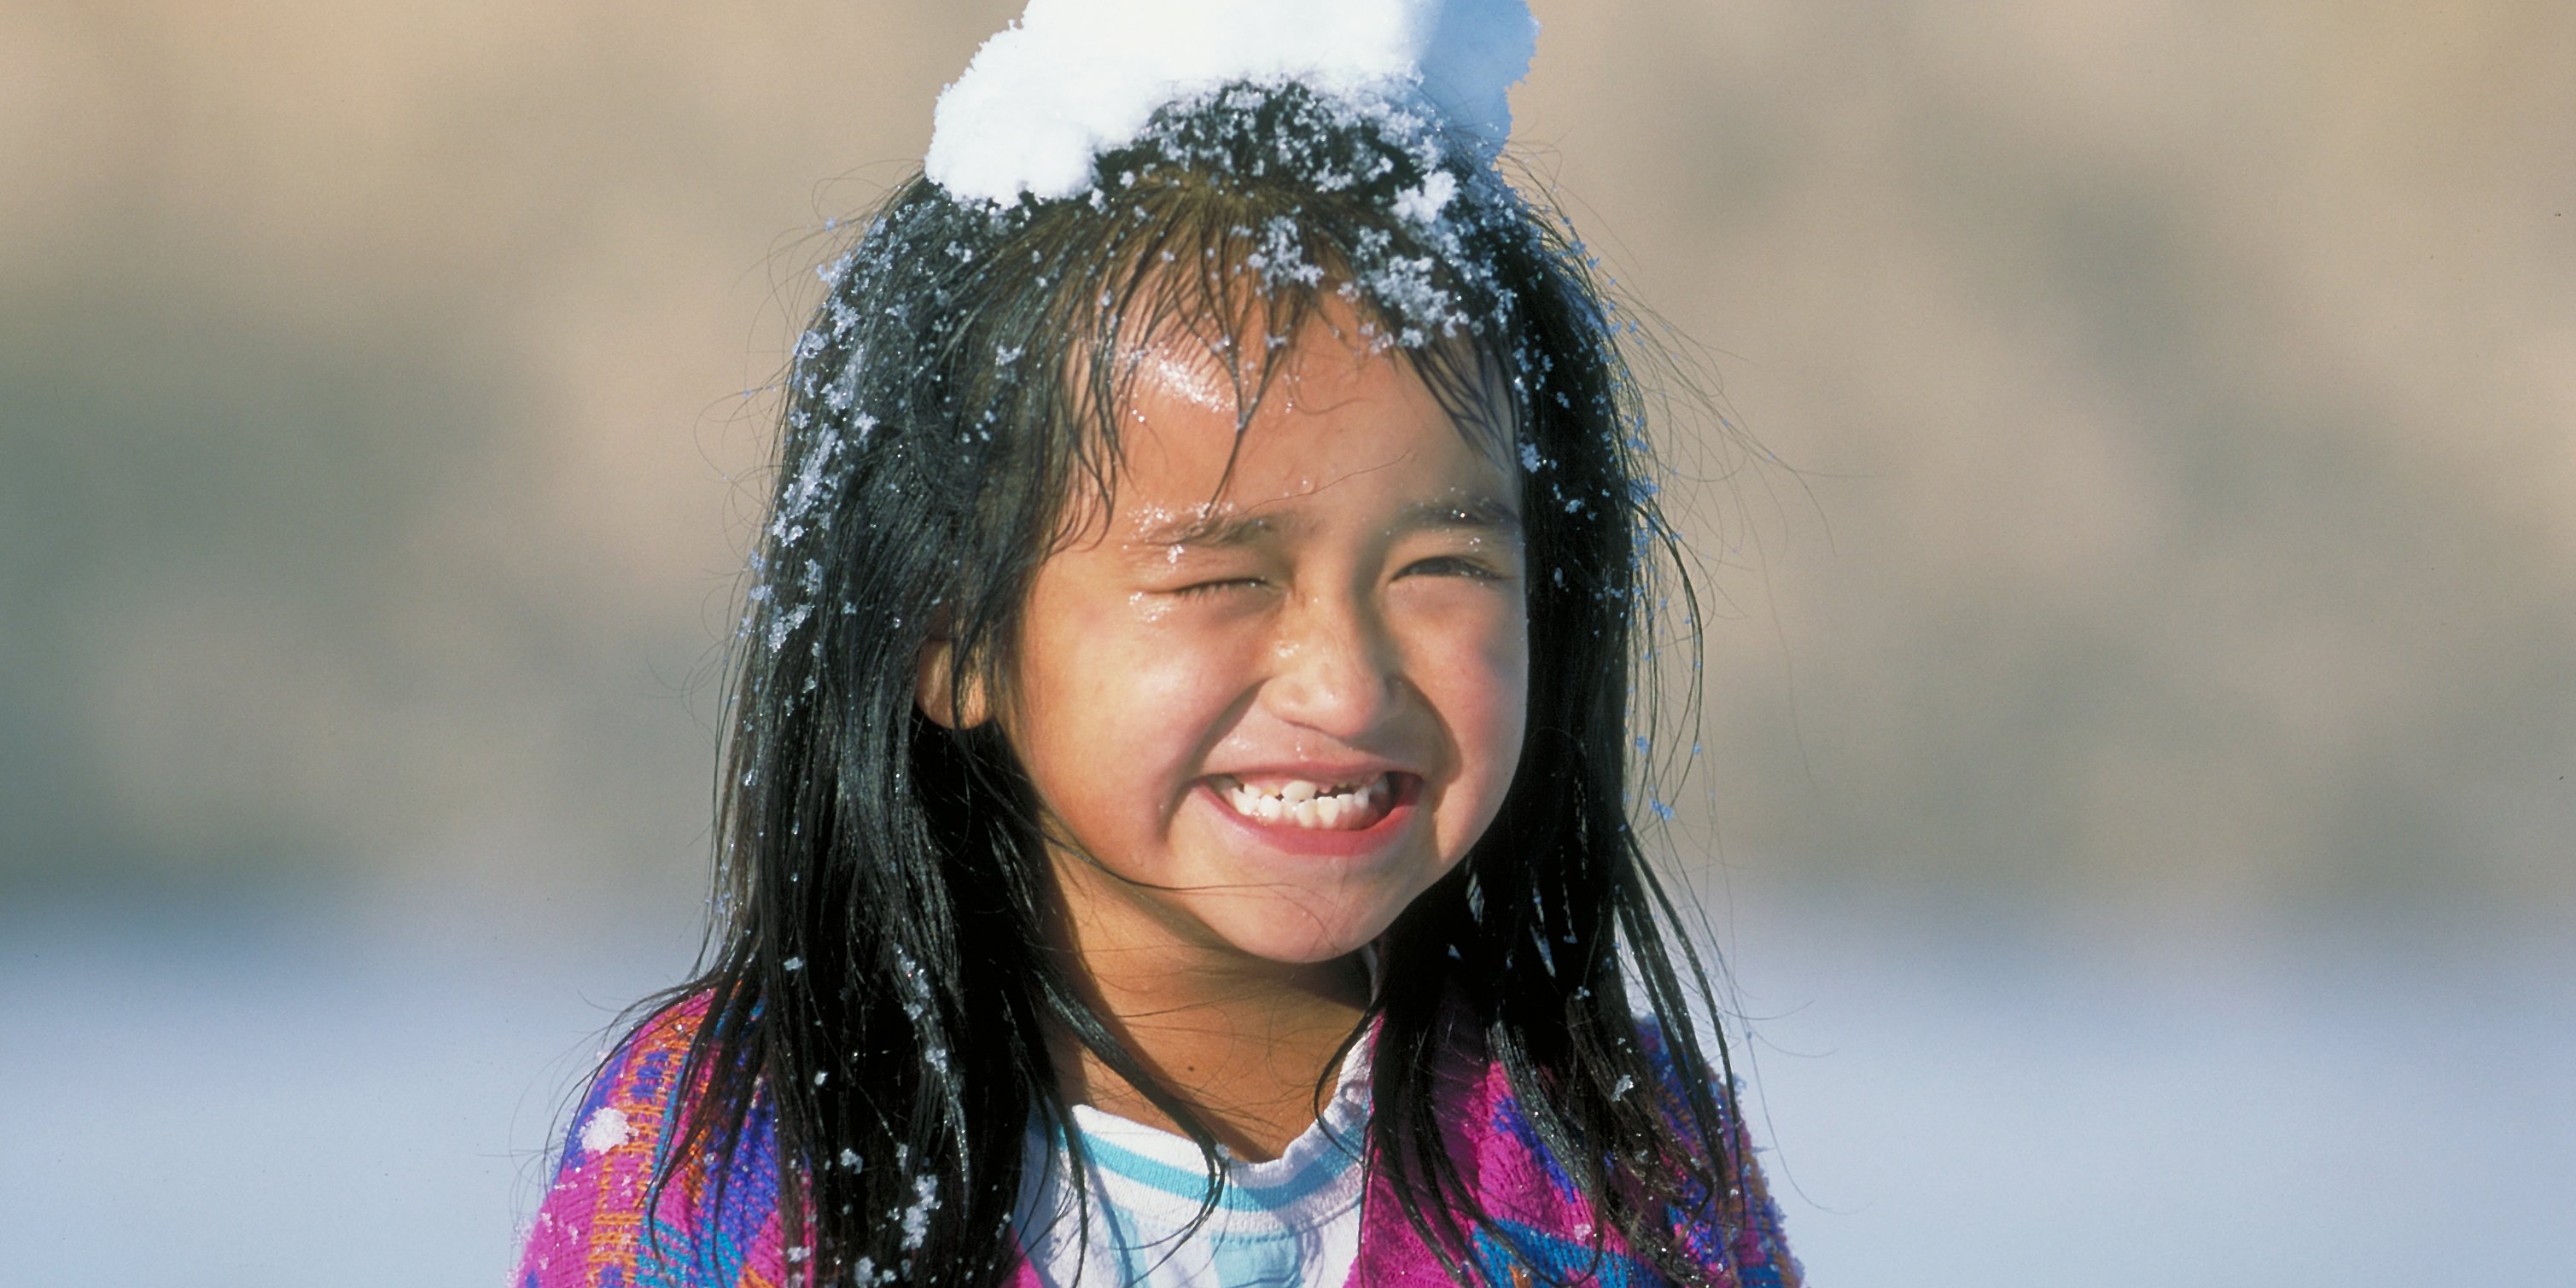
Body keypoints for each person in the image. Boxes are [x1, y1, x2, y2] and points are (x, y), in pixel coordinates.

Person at [516, 3, 1798, 1284]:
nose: (1345, 677)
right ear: (949, 628)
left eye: (1443, 566)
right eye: (1220, 576)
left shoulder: (1617, 1170)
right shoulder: (737, 1159)